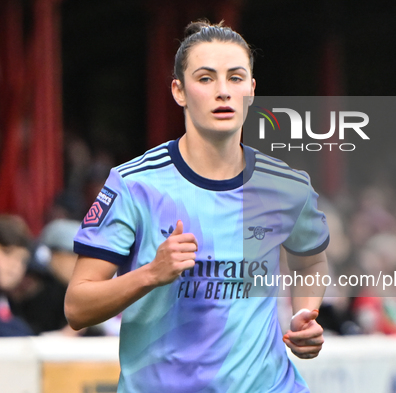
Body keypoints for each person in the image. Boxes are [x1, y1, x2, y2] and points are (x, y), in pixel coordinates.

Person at [66, 20, 329, 392]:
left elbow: (311, 260)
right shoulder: (134, 184)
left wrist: (305, 314)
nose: (223, 91)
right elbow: (77, 307)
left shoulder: (287, 186)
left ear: (252, 90)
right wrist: (151, 273)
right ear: (179, 91)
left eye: (236, 78)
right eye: (205, 79)